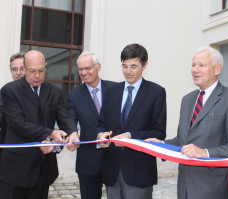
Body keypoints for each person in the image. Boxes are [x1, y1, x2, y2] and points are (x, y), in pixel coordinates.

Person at [146, 47, 228, 199]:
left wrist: (205, 153)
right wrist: (161, 144)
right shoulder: (187, 100)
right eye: (193, 65)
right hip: (185, 187)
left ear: (217, 69)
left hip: (215, 189)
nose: (195, 70)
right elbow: (183, 141)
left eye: (201, 65)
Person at [0, 50, 80, 199]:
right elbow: (18, 123)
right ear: (24, 69)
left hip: (43, 170)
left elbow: (64, 116)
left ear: (46, 67)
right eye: (32, 71)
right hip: (15, 170)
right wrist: (51, 133)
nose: (37, 76)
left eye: (41, 71)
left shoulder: (54, 92)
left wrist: (73, 132)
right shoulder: (10, 91)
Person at [98, 43, 167, 199]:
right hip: (112, 170)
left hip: (139, 170)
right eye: (124, 66)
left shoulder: (156, 92)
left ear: (144, 65)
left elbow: (159, 132)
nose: (128, 71)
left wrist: (130, 136)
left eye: (134, 66)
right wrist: (100, 135)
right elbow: (102, 123)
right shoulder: (111, 91)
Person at [67, 51, 116, 199]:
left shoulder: (115, 89)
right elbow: (70, 120)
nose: (84, 72)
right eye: (80, 69)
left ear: (98, 67)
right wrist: (72, 133)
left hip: (114, 157)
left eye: (88, 68)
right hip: (88, 160)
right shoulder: (74, 95)